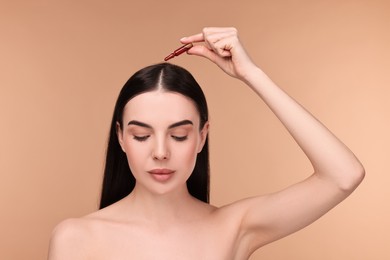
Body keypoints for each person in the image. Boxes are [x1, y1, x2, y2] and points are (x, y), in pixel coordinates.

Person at [48, 27, 365, 260]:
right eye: (142, 135)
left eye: (179, 135)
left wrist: (251, 74)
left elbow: (343, 175)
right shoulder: (76, 238)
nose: (161, 152)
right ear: (120, 137)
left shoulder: (234, 227)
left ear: (201, 136)